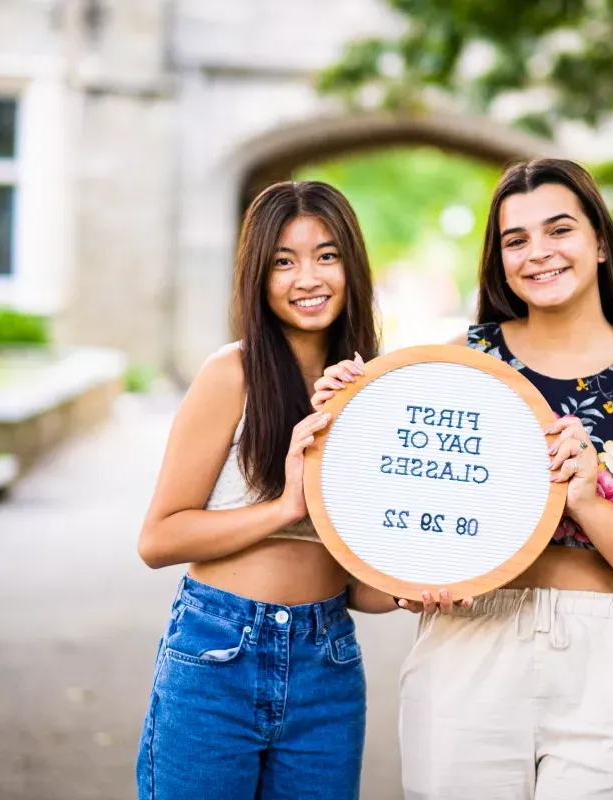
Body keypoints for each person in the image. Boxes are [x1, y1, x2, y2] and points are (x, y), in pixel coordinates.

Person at [313, 159, 613, 800]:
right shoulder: (461, 363)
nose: (538, 253)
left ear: (601, 243)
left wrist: (590, 503)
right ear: (500, 260)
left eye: (558, 229)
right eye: (515, 239)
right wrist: (353, 413)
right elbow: (386, 510)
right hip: (467, 645)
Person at [134, 180, 381, 800]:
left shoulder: (376, 389)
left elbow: (366, 589)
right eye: (283, 260)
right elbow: (160, 538)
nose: (308, 277)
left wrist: (424, 580)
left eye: (327, 256)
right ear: (257, 274)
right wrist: (285, 508)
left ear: (351, 266)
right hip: (219, 652)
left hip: (327, 661)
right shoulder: (231, 373)